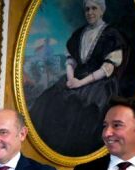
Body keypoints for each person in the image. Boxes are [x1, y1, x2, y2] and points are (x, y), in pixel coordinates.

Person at [28, 0, 128, 157]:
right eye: (87, 9)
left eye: (94, 8)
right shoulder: (79, 34)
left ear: (102, 11)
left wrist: (80, 83)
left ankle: (75, 153)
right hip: (76, 78)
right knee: (48, 99)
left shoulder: (112, 35)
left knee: (82, 108)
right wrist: (71, 79)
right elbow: (71, 61)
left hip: (100, 82)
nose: (90, 12)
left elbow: (107, 68)